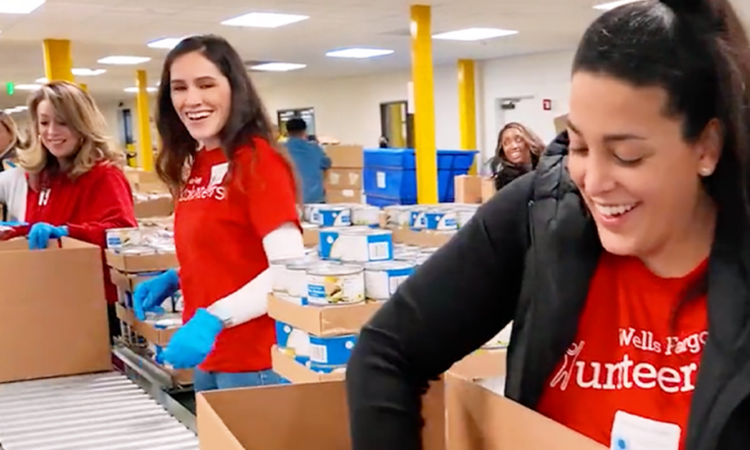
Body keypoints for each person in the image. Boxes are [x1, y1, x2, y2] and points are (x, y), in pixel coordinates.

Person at [346, 1, 750, 449]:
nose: (593, 182)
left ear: (706, 147)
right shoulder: (542, 211)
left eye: (627, 155)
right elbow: (386, 353)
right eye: (578, 146)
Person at [133, 34, 305, 392]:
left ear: (234, 89)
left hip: (254, 362)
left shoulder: (259, 163)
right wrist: (180, 276)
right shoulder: (202, 162)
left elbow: (288, 269)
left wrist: (212, 319)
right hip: (209, 358)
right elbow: (233, 248)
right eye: (179, 88)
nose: (191, 99)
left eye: (206, 84)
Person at [4, 81, 137, 337]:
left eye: (62, 122)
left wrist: (66, 232)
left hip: (94, 304)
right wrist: (17, 232)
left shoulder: (103, 175)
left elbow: (123, 232)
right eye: (44, 123)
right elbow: (43, 231)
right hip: (50, 297)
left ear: (82, 124)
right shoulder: (40, 176)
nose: (52, 131)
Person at [284, 117, 331, 204]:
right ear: (304, 131)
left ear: (287, 132)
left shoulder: (280, 150)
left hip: (290, 201)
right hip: (315, 200)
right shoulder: (315, 149)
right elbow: (327, 164)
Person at [489, 122, 544, 190]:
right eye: (506, 143)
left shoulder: (545, 170)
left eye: (518, 140)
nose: (513, 146)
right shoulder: (504, 180)